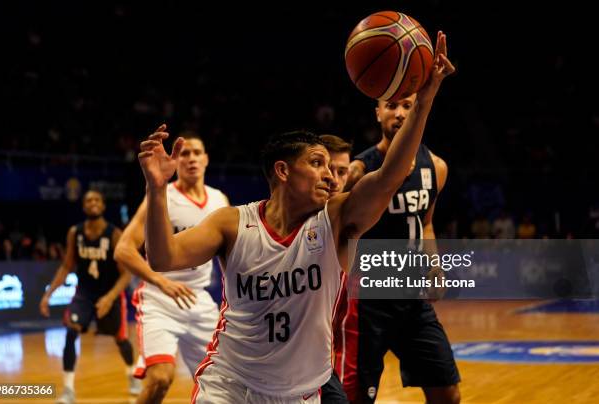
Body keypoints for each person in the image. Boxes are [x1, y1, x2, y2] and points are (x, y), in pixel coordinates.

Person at [138, 31, 453, 404]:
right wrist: (157, 189)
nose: (329, 175)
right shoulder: (232, 223)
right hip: (230, 386)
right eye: (317, 163)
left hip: (302, 393)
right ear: (284, 172)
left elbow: (390, 176)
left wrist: (426, 99)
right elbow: (163, 258)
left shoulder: (336, 218)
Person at [337, 97, 460, 402]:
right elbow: (340, 230)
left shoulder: (437, 167)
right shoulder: (358, 170)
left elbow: (426, 223)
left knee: (448, 393)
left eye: (407, 105)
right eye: (391, 106)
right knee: (358, 397)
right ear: (377, 112)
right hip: (368, 302)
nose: (400, 113)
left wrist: (434, 267)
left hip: (412, 298)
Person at [114, 132, 229, 404]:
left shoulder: (219, 200)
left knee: (223, 384)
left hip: (199, 301)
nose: (191, 158)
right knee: (160, 380)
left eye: (197, 152)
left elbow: (229, 254)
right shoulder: (162, 195)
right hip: (159, 298)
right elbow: (123, 249)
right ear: (176, 160)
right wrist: (162, 282)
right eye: (185, 153)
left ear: (206, 159)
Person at [40, 190, 141, 404]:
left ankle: (132, 375)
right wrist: (48, 294)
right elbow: (67, 265)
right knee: (70, 331)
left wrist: (110, 297)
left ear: (103, 206)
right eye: (88, 200)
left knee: (121, 339)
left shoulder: (114, 234)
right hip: (84, 293)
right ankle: (68, 390)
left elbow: (126, 274)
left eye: (96, 200)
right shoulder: (74, 233)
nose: (92, 203)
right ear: (84, 206)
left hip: (110, 293)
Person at [319, 134, 353, 404]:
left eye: (343, 171)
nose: (334, 178)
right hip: (267, 361)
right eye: (329, 169)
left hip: (314, 360)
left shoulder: (347, 213)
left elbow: (389, 177)